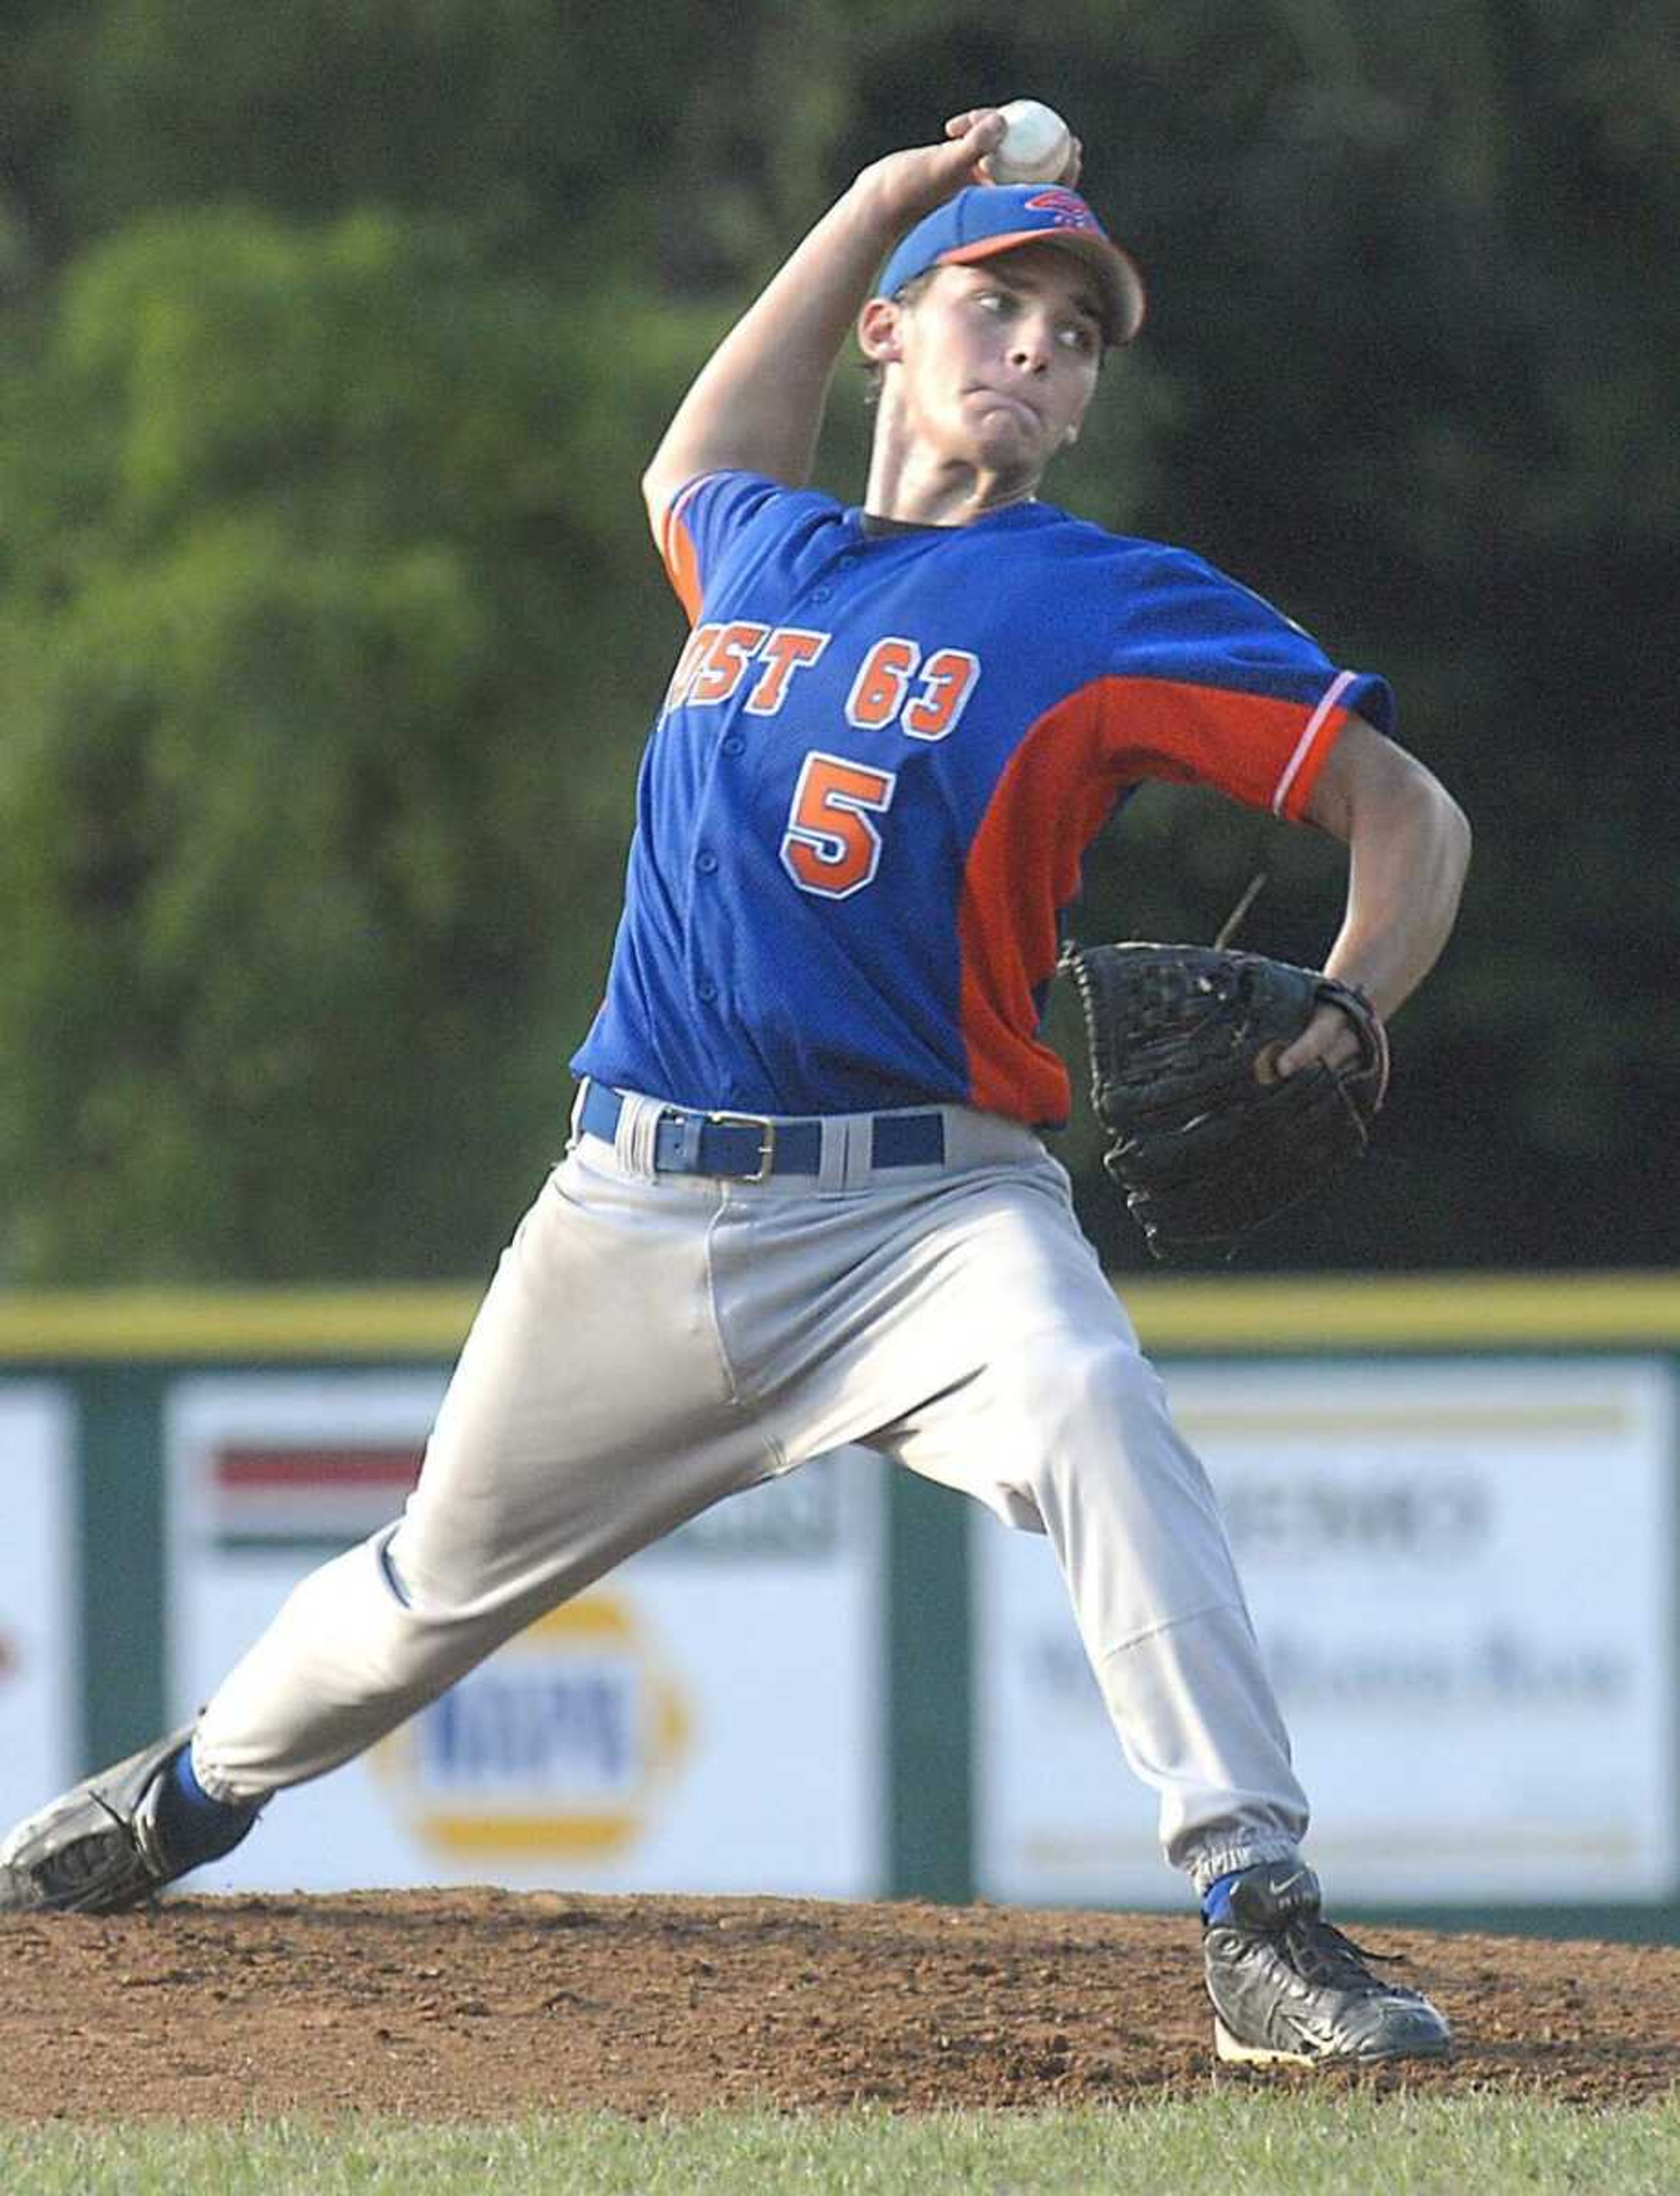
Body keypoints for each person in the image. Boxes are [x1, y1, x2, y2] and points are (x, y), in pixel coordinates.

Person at [0, 108, 1470, 2066]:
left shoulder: (1107, 603)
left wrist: (1357, 1002)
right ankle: (180, 1798)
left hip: (928, 1216)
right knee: (427, 1590)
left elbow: (1411, 808)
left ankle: (1258, 1911)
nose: (1037, 345)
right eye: (995, 298)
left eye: (1076, 330)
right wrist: (876, 205)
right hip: (631, 1211)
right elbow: (690, 457)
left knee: (1103, 1408)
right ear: (888, 330)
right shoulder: (761, 548)